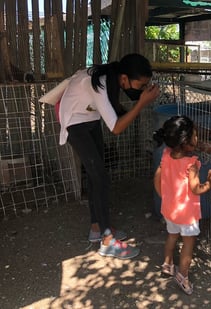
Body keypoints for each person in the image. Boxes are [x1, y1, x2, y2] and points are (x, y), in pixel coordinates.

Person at [58, 53, 160, 259]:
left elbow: (114, 117)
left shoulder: (111, 81)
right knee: (100, 178)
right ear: (124, 79)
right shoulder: (100, 84)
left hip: (90, 118)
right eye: (140, 85)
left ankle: (97, 228)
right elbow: (115, 128)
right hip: (74, 123)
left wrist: (141, 99)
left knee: (98, 175)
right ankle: (107, 241)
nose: (141, 89)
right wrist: (142, 103)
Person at [153, 116, 211, 295]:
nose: (197, 138)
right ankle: (183, 275)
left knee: (172, 235)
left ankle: (167, 264)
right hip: (187, 214)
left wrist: (164, 197)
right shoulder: (191, 164)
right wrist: (210, 182)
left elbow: (157, 178)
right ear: (185, 142)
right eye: (195, 136)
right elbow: (196, 189)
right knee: (188, 244)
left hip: (169, 210)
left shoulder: (165, 155)